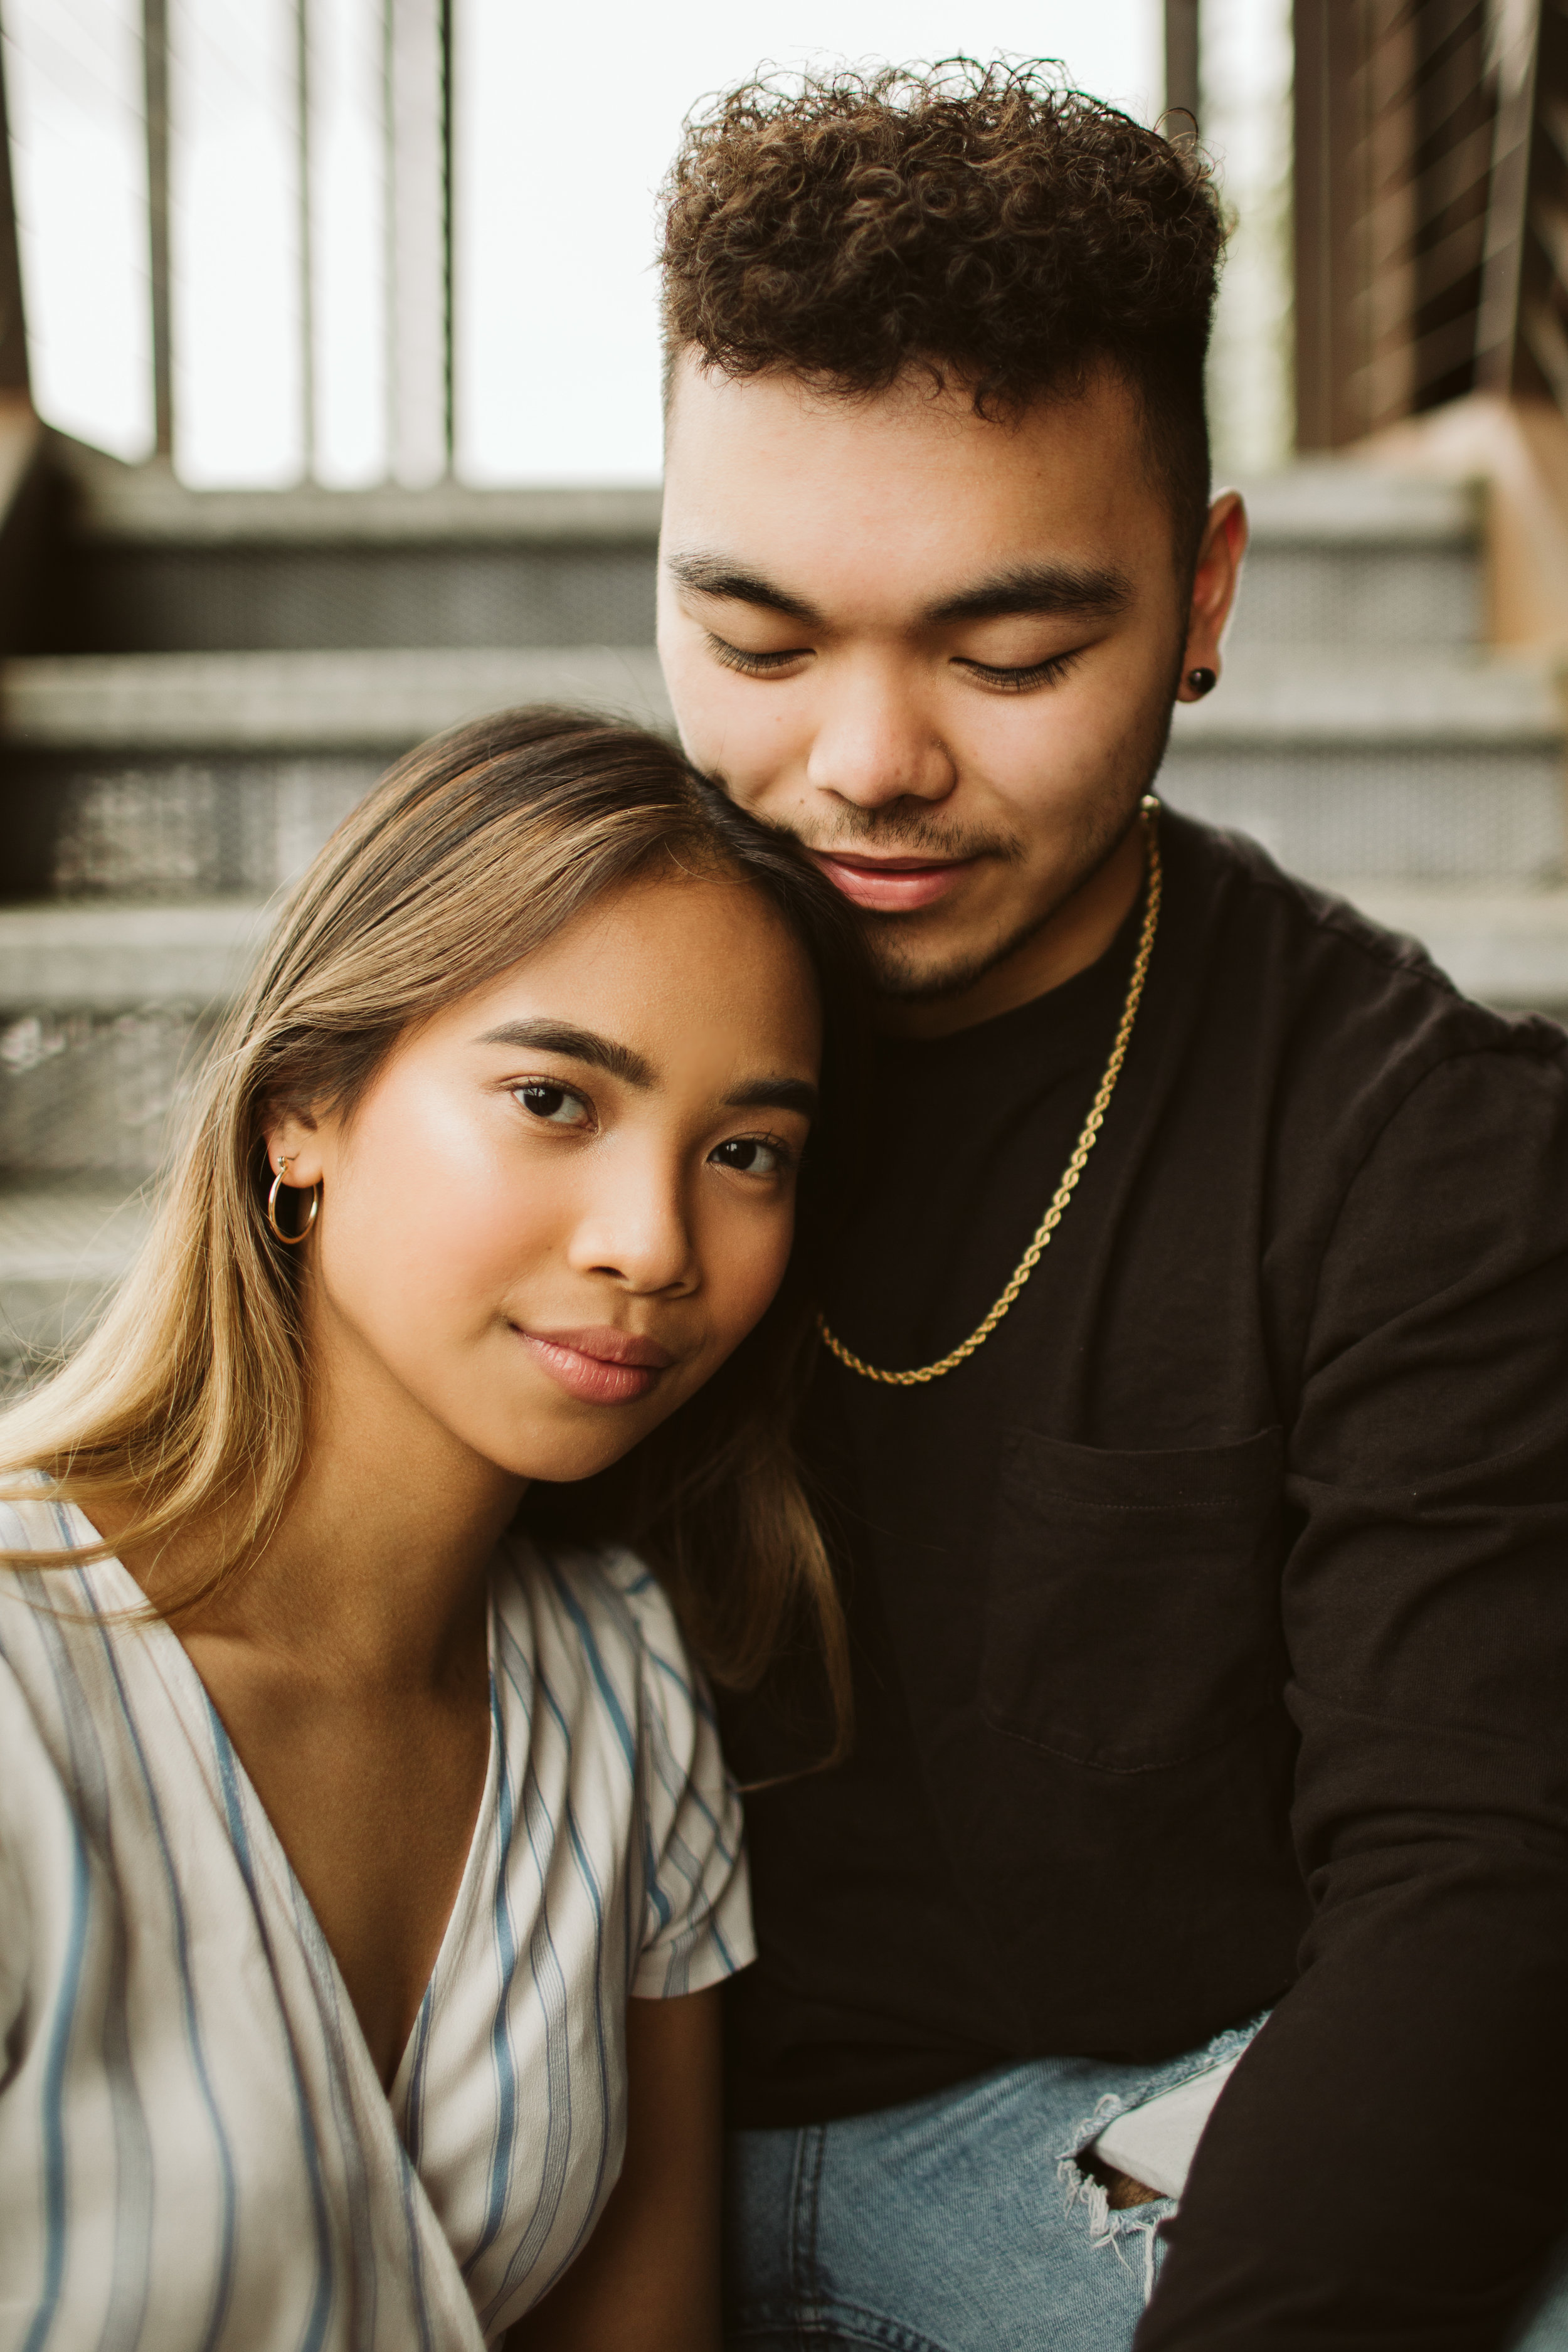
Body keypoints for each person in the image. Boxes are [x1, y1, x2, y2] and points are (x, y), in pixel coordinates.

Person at [653, 60, 1568, 2352]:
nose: (862, 761)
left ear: (1200, 595)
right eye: (754, 640)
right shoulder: (522, 1034)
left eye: (1006, 654)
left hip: (1110, 2142)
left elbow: (1477, 1876)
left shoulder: (1418, 1138)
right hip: (559, 2119)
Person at [0, 707, 864, 2352]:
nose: (652, 1242)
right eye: (554, 1098)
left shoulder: (621, 1683)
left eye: (746, 1151)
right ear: (300, 1112)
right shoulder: (20, 1695)